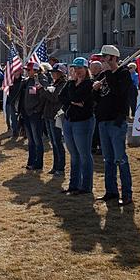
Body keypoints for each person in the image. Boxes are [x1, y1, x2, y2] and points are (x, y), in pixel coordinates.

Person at [93, 45, 134, 205]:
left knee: (120, 158)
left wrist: (109, 74)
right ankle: (111, 191)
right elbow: (96, 98)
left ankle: (127, 193)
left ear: (112, 58)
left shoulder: (123, 74)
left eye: (104, 57)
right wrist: (95, 89)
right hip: (103, 121)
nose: (102, 60)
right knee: (107, 159)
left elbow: (119, 94)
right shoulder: (103, 75)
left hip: (116, 121)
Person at [58, 58, 94, 195]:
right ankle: (74, 184)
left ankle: (85, 186)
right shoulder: (70, 83)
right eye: (75, 68)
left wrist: (73, 100)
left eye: (80, 68)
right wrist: (73, 102)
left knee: (84, 154)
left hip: (83, 121)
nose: (77, 71)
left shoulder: (88, 84)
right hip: (69, 120)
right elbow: (61, 97)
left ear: (86, 69)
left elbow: (77, 97)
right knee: (73, 154)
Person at [18, 62, 48, 171]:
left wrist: (37, 110)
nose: (27, 72)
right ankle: (31, 161)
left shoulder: (41, 79)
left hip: (35, 114)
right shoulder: (27, 81)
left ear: (35, 70)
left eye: (29, 70)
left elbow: (43, 96)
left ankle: (38, 163)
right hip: (27, 113)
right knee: (31, 140)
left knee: (37, 140)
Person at [45, 64, 67, 176]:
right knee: (53, 142)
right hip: (49, 115)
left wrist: (46, 92)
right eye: (52, 72)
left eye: (55, 72)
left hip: (56, 115)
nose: (53, 74)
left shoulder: (63, 84)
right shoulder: (54, 83)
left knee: (58, 141)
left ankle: (60, 166)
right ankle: (55, 165)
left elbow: (55, 98)